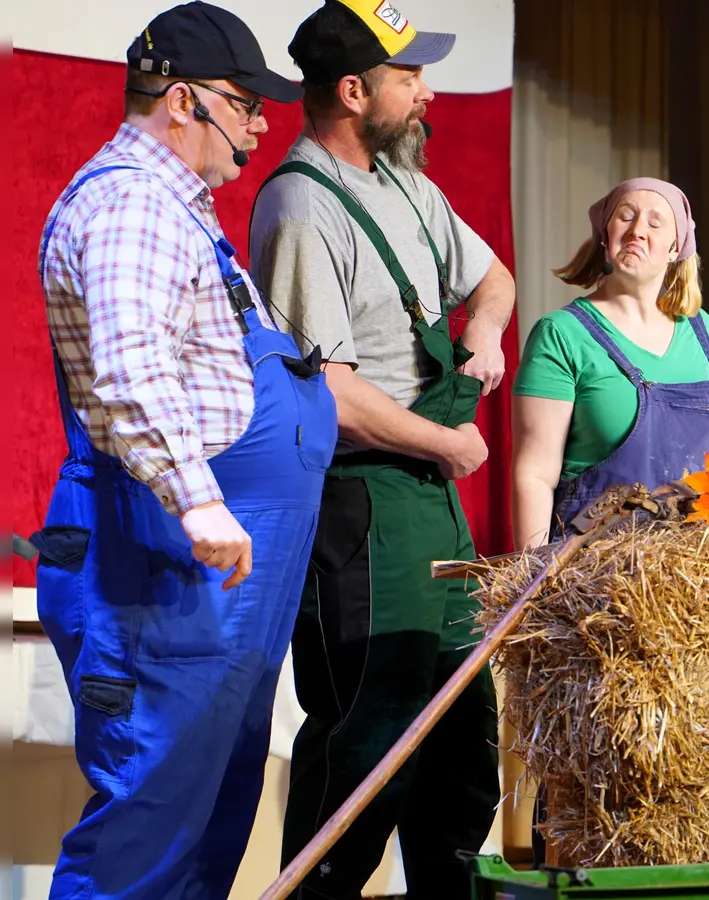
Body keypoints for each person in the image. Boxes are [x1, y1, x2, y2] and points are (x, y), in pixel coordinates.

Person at [30, 4, 334, 897]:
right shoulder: (132, 204)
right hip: (152, 544)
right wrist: (199, 503)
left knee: (206, 810)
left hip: (190, 554)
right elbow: (129, 370)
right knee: (152, 817)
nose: (259, 125)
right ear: (180, 101)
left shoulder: (175, 206)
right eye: (243, 104)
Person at [246, 0, 516, 895]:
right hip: (362, 507)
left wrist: (484, 333)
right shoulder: (299, 203)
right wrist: (451, 439)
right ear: (356, 91)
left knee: (459, 743)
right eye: (410, 77)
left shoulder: (409, 186)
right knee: (369, 744)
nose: (427, 93)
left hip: (431, 497)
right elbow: (330, 393)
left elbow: (496, 280)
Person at [512, 177, 709, 548]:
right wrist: (533, 579)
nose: (638, 230)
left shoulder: (705, 331)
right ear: (606, 237)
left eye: (655, 223)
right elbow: (535, 474)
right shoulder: (562, 334)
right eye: (626, 217)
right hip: (596, 573)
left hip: (704, 568)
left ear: (676, 248)